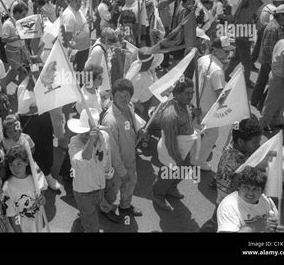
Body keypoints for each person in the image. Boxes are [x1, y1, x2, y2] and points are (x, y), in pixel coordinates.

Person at [100, 78, 146, 217]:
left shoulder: (129, 107)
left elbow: (131, 126)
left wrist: (139, 132)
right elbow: (112, 151)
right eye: (119, 95)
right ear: (113, 95)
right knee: (112, 189)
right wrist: (121, 171)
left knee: (130, 183)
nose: (123, 99)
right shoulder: (110, 120)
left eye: (126, 95)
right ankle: (105, 209)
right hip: (117, 165)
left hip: (130, 158)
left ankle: (125, 206)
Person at [152, 78, 198, 211]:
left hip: (185, 148)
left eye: (192, 93)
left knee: (183, 171)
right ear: (177, 94)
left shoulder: (185, 105)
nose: (190, 96)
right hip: (172, 152)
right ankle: (158, 193)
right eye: (187, 93)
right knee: (167, 174)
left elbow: (188, 122)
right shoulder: (170, 115)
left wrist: (195, 114)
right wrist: (178, 159)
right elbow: (170, 142)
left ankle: (171, 188)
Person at [67, 108, 114, 232]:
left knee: (90, 215)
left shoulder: (104, 137)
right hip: (84, 192)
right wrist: (91, 140)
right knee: (92, 227)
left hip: (99, 187)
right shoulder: (74, 143)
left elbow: (107, 156)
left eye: (87, 133)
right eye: (81, 132)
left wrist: (108, 176)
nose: (83, 136)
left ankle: (83, 218)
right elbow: (83, 159)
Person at [193, 37, 235, 170]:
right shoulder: (217, 70)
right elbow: (220, 96)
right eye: (225, 51)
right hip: (208, 108)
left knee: (195, 130)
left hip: (196, 101)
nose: (229, 54)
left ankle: (190, 153)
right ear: (215, 50)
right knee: (212, 135)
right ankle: (199, 161)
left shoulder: (203, 59)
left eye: (229, 51)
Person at [17, 68, 61, 190]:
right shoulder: (23, 86)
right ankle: (46, 176)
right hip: (32, 123)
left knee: (47, 144)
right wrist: (38, 107)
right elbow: (23, 110)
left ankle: (47, 170)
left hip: (44, 118)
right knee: (37, 149)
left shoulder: (44, 81)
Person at [217, 166, 284, 233]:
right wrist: (254, 227)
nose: (250, 193)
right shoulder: (228, 206)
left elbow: (276, 222)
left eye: (255, 189)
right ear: (239, 187)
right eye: (246, 187)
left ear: (262, 191)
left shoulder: (266, 200)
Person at [251, 4, 284, 110]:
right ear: (281, 15)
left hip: (274, 60)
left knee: (264, 81)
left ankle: (256, 101)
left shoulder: (280, 25)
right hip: (270, 61)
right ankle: (257, 102)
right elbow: (268, 48)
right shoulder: (273, 28)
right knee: (267, 82)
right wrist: (275, 62)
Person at [2, 145, 47, 232]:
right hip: (19, 228)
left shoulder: (35, 178)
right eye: (12, 165)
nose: (15, 168)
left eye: (19, 163)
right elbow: (11, 216)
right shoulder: (7, 187)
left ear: (26, 162)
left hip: (36, 224)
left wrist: (43, 199)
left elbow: (42, 192)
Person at [125, 47, 163, 120]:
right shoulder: (138, 79)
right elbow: (133, 101)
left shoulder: (141, 67)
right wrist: (143, 112)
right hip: (141, 107)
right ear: (148, 63)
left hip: (148, 102)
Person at [63, 0, 91, 72]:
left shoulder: (79, 11)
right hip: (76, 51)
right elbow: (68, 36)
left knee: (81, 72)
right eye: (76, 1)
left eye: (80, 1)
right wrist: (71, 52)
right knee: (72, 72)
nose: (78, 4)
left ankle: (81, 84)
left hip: (84, 48)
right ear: (70, 1)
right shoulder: (69, 15)